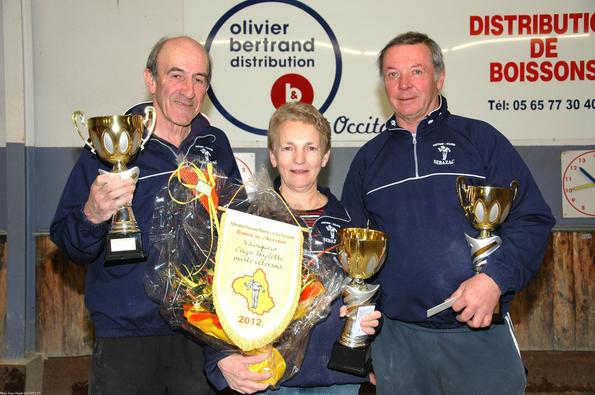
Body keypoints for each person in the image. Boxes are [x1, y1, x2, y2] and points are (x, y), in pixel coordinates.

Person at [341, 32, 555, 395]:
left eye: (416, 71)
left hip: (478, 333)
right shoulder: (368, 161)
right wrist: (363, 345)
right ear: (383, 84)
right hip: (398, 342)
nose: (404, 84)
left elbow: (533, 218)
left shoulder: (481, 140)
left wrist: (494, 280)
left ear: (439, 77)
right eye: (392, 74)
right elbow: (353, 260)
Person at [50, 36, 241, 394]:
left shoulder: (217, 145)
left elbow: (237, 230)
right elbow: (68, 241)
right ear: (150, 80)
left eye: (199, 79)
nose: (188, 90)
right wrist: (92, 214)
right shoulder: (110, 145)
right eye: (176, 75)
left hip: (199, 332)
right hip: (126, 336)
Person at [203, 102, 381, 394]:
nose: (299, 158)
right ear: (273, 156)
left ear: (325, 157)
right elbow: (216, 296)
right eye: (288, 148)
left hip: (338, 378)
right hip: (266, 376)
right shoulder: (249, 220)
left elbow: (372, 290)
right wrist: (221, 358)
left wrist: (367, 319)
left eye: (311, 148)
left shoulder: (353, 222)